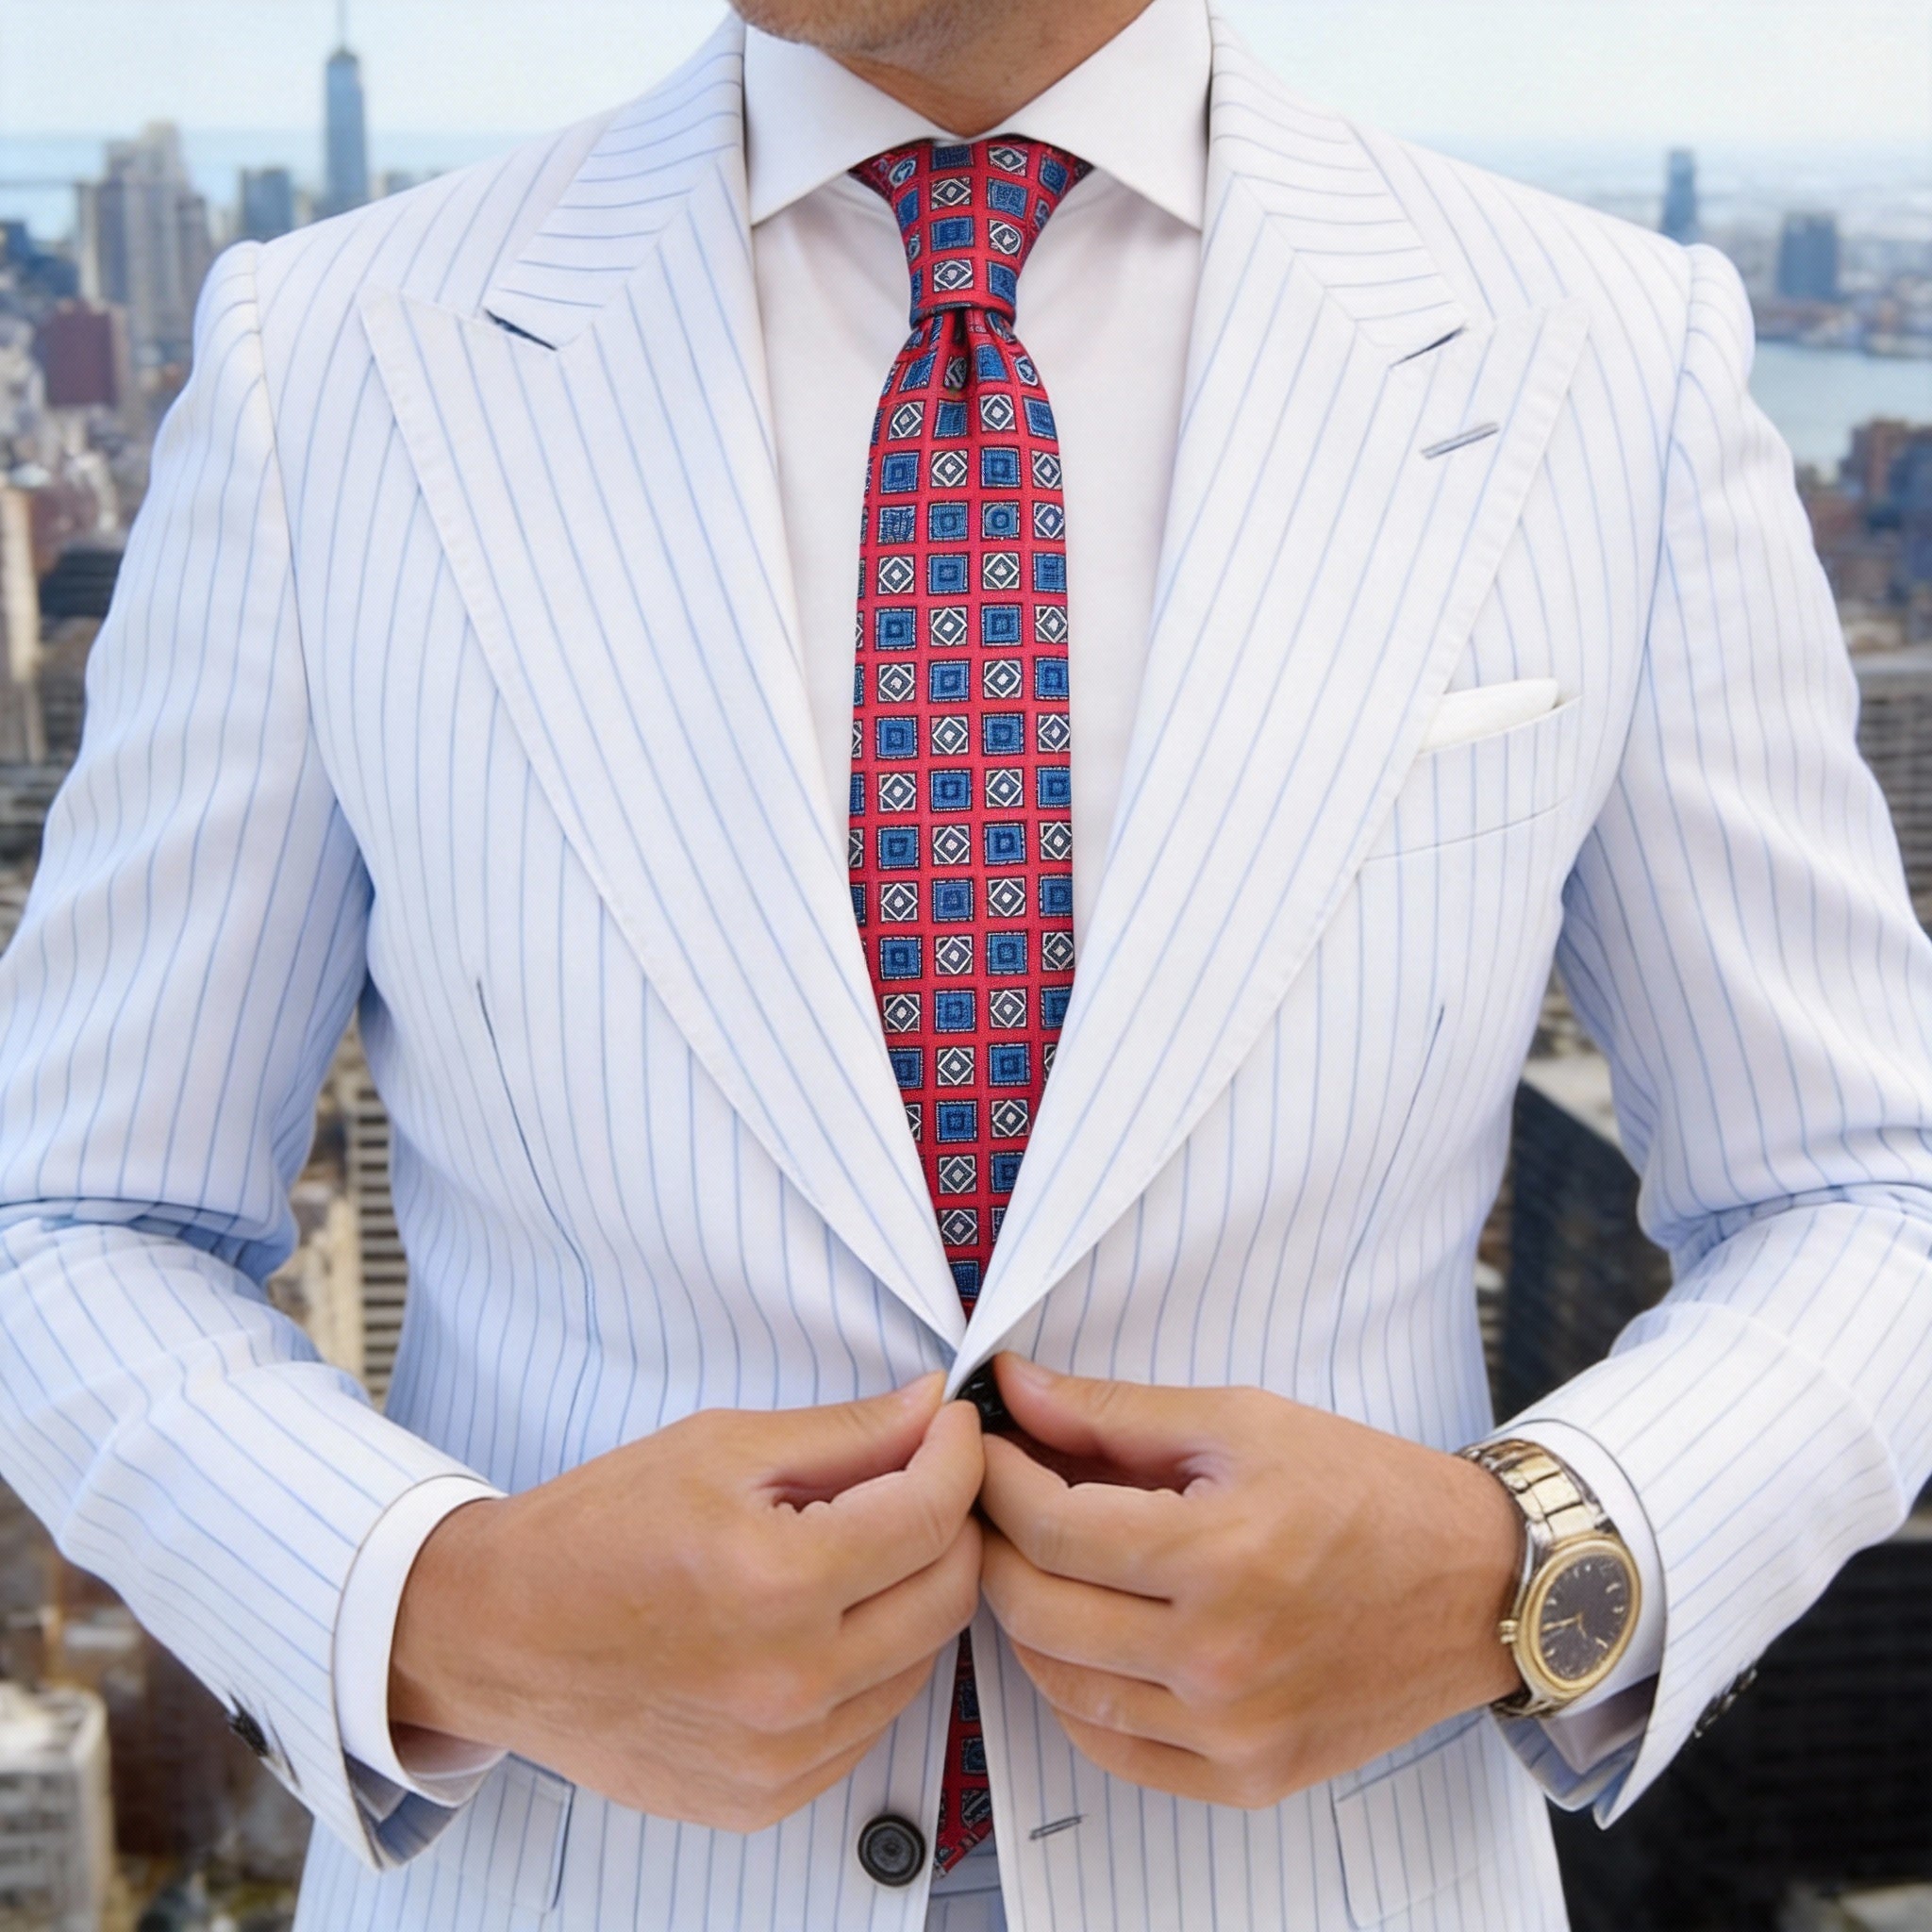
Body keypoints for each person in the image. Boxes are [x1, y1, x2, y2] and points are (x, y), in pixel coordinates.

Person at [1, 0, 1928, 1925]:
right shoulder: (324, 363)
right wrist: (440, 1607)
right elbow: (69, 1215)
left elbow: (1866, 1187)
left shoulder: (1611, 359)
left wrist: (1519, 1566)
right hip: (562, 1867)